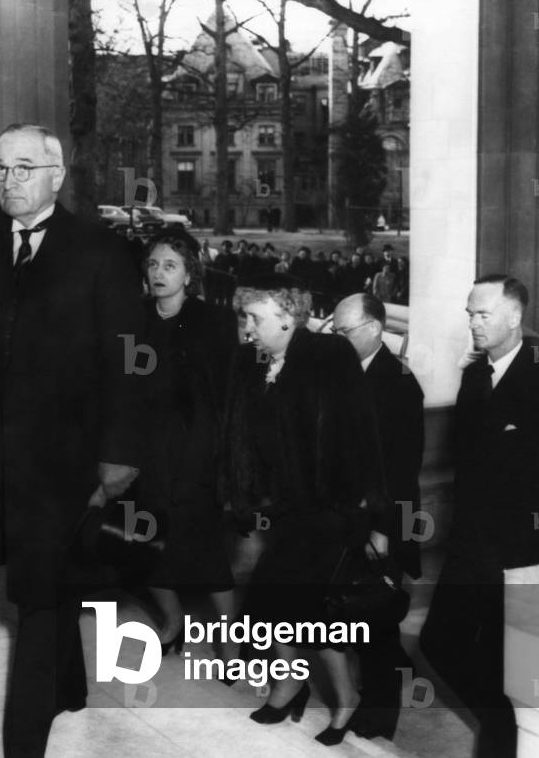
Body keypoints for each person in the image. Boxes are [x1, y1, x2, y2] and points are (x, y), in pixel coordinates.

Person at [0, 123, 143, 757]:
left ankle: (22, 743)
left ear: (57, 175)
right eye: (0, 167)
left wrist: (119, 455)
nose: (9, 180)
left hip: (69, 460)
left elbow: (130, 359)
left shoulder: (100, 251)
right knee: (43, 576)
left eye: (24, 167)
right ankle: (70, 687)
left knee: (37, 596)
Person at [222, 273, 386, 746]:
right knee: (280, 602)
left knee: (311, 608)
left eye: (256, 317)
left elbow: (361, 433)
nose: (247, 326)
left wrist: (371, 515)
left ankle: (341, 697)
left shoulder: (326, 355)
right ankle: (292, 687)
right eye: (244, 316)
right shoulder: (255, 361)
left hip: (330, 508)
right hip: (287, 508)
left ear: (289, 317)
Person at [419, 275, 539, 758]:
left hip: (520, 553)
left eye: (483, 314)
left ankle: (509, 742)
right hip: (471, 545)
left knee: (530, 666)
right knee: (441, 643)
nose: (473, 323)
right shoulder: (474, 375)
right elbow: (468, 461)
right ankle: (503, 727)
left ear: (514, 317)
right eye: (470, 313)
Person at [138, 230, 239, 659]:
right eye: (154, 264)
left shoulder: (213, 321)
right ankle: (172, 619)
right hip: (145, 453)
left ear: (189, 274)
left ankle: (231, 644)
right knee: (146, 544)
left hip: (198, 451)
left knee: (208, 551)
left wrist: (220, 456)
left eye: (170, 265)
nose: (159, 273)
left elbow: (229, 394)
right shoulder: (133, 317)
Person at [333, 293, 423, 740]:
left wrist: (384, 530)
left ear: (372, 328)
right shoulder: (349, 374)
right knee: (359, 615)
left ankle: (381, 714)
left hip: (385, 522)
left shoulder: (400, 382)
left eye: (343, 331)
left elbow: (402, 470)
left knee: (378, 619)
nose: (337, 338)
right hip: (354, 519)